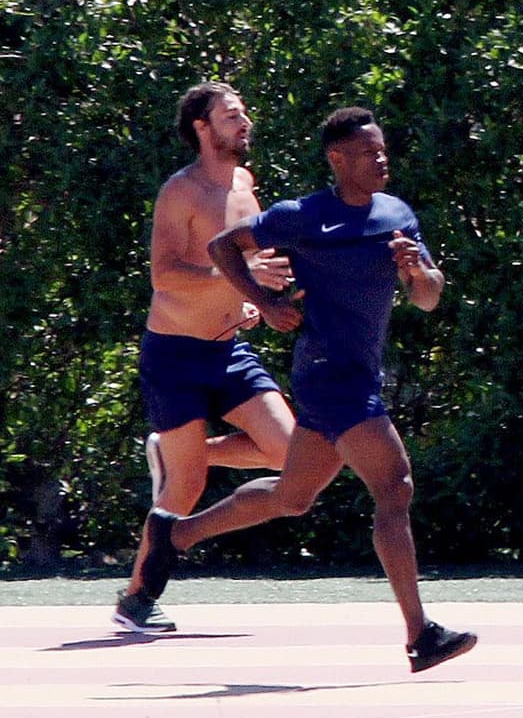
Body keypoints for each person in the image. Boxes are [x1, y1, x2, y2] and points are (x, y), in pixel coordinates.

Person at [139, 107, 477, 673]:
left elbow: (429, 296)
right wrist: (265, 303)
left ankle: (177, 535)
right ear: (337, 160)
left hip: (358, 373)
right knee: (394, 487)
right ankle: (421, 635)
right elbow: (225, 244)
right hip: (328, 374)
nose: (381, 159)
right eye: (369, 152)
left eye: (383, 149)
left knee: (291, 498)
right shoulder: (303, 216)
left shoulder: (396, 214)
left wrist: (417, 272)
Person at [112, 82, 296, 634]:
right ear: (202, 127)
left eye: (244, 114)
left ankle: (184, 454)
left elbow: (257, 261)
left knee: (292, 455)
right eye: (231, 116)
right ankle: (137, 599)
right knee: (185, 487)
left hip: (230, 350)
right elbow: (165, 276)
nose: (244, 123)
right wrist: (237, 279)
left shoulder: (245, 184)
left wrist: (259, 297)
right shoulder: (181, 192)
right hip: (174, 354)